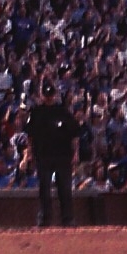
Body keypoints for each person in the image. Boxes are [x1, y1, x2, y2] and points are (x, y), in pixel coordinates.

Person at [27, 93, 79, 230]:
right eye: (47, 95)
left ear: (54, 95)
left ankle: (67, 219)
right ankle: (44, 219)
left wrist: (75, 153)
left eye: (51, 95)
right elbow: (30, 136)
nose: (49, 97)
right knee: (44, 188)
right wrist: (29, 154)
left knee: (65, 189)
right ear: (42, 95)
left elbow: (74, 134)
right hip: (43, 156)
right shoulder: (37, 112)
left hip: (63, 156)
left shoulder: (63, 111)